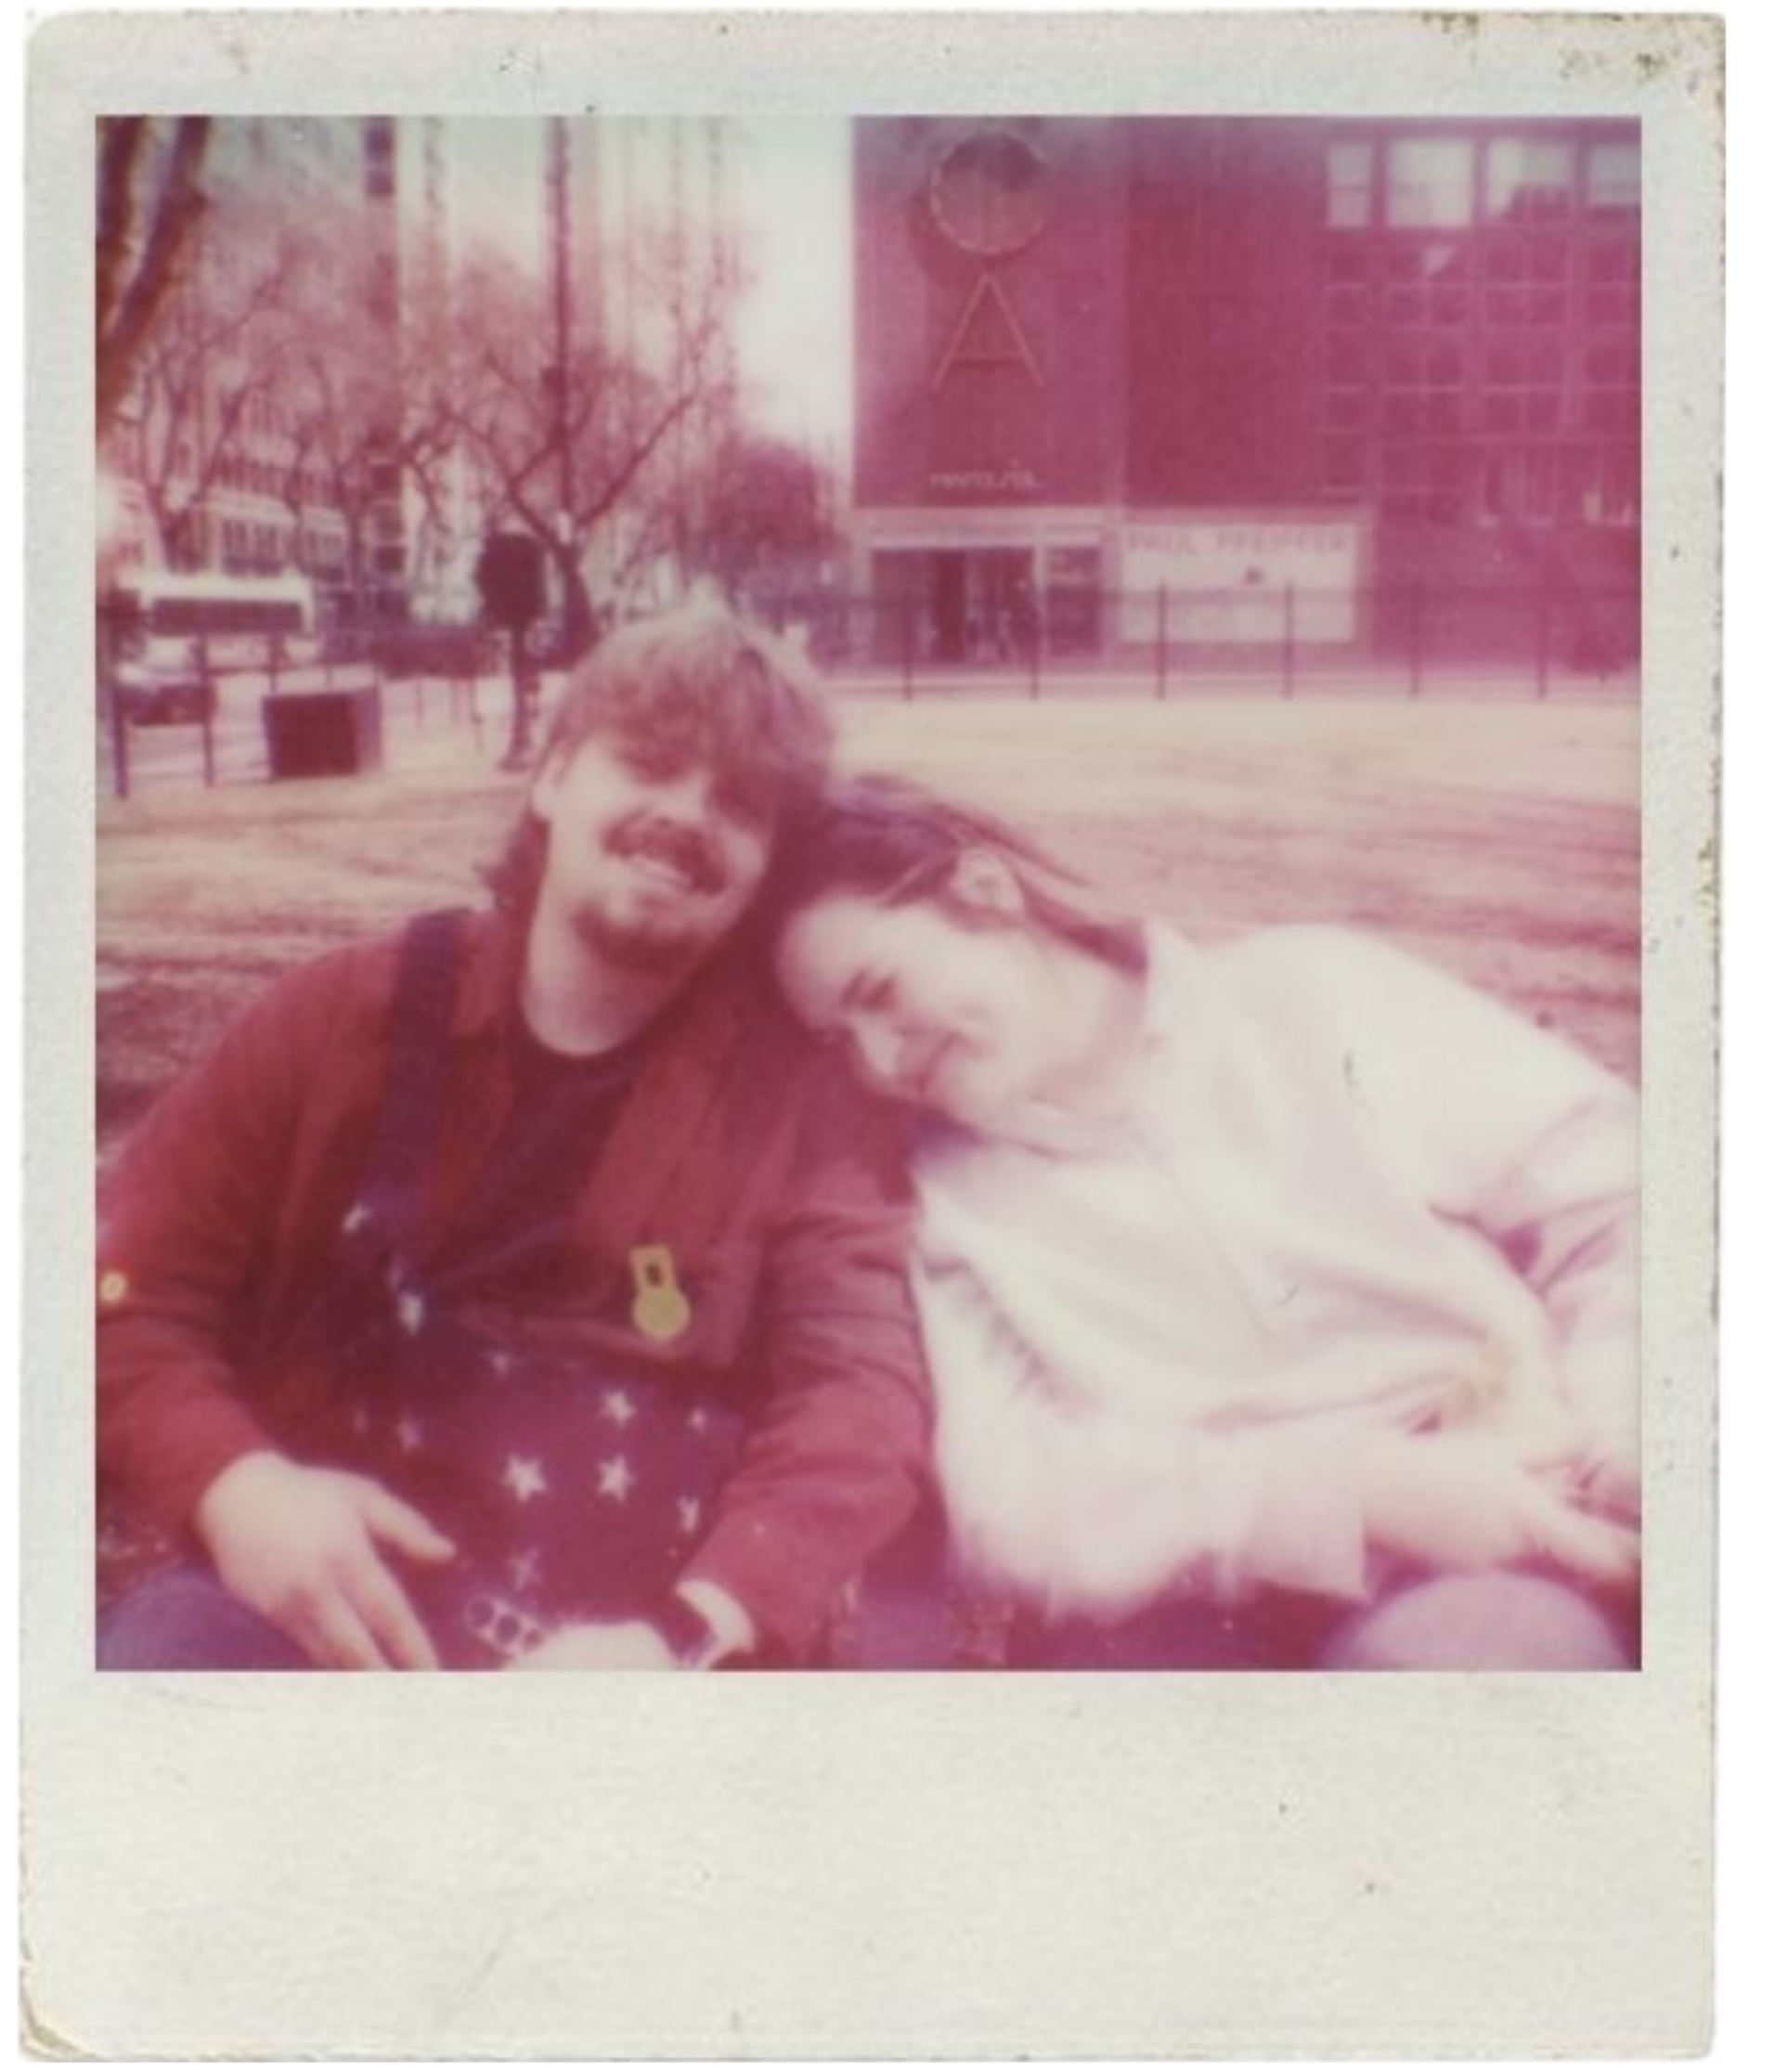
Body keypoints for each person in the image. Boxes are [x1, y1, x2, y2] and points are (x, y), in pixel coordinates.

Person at [97, 607, 930, 1672]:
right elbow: (121, 1283)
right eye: (652, 764)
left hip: (640, 1667)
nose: (686, 814)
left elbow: (857, 1396)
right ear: (551, 779)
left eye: (740, 802)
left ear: (765, 868)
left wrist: (685, 1634)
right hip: (318, 1619)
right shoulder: (339, 1015)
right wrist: (235, 1489)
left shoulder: (807, 1103)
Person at [768, 777, 1641, 1670]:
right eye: (838, 1042)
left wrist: (1626, 1443)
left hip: (1519, 1520)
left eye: (879, 991)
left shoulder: (1310, 995)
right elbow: (1013, 1507)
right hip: (1197, 1617)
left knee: (1481, 1670)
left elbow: (1620, 1198)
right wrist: (1356, 1494)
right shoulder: (945, 1202)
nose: (876, 1063)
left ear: (984, 894)